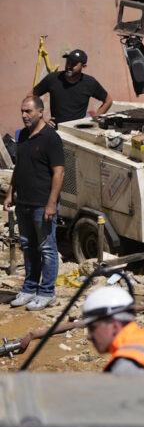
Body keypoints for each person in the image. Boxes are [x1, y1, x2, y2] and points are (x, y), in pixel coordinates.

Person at [4, 96, 64, 311]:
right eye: (22, 111)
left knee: (47, 248)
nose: (24, 115)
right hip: (24, 203)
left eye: (28, 111)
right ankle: (29, 289)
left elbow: (59, 172)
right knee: (28, 247)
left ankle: (47, 292)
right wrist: (11, 192)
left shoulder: (51, 138)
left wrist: (51, 203)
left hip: (42, 204)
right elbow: (19, 167)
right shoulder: (22, 137)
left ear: (40, 112)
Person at [30, 49, 113, 126]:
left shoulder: (90, 83)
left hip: (78, 132)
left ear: (83, 66)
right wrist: (40, 121)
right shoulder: (53, 78)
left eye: (74, 64)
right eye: (68, 62)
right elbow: (31, 96)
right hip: (57, 131)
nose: (69, 66)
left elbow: (108, 100)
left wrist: (92, 121)